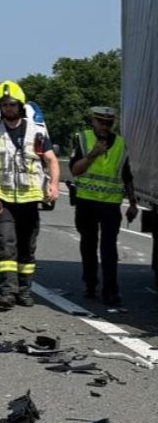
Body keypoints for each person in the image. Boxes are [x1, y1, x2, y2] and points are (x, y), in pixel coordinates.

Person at [0, 80, 61, 307]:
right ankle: (7, 292)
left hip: (30, 200)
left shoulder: (37, 132)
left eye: (12, 104)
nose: (9, 108)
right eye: (4, 105)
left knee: (27, 248)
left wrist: (54, 185)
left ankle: (24, 290)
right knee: (5, 244)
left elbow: (52, 160)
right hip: (2, 198)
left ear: (20, 106)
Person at [69, 105, 136, 306]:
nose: (105, 126)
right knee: (88, 245)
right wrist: (92, 155)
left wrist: (132, 203)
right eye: (101, 122)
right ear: (93, 121)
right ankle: (90, 284)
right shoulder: (82, 138)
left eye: (109, 123)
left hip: (110, 205)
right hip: (86, 201)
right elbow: (74, 170)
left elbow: (126, 175)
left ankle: (110, 291)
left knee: (109, 249)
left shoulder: (121, 144)